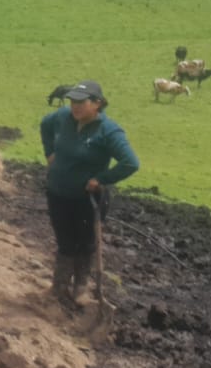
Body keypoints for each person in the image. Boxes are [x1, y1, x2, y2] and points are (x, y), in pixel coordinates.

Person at [38, 80, 140, 306]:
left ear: (97, 104)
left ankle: (80, 288)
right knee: (64, 241)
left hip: (87, 200)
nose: (75, 106)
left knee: (85, 243)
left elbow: (130, 163)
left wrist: (101, 179)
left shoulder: (108, 131)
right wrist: (49, 153)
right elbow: (45, 124)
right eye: (73, 101)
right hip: (58, 193)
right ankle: (59, 287)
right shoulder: (63, 117)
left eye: (81, 102)